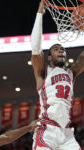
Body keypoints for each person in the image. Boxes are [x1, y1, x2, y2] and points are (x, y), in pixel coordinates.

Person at [31, 0, 84, 150]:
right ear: (49, 57)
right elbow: (36, 48)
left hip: (66, 132)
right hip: (47, 129)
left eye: (63, 49)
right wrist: (39, 14)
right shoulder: (43, 71)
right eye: (56, 49)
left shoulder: (70, 73)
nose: (61, 51)